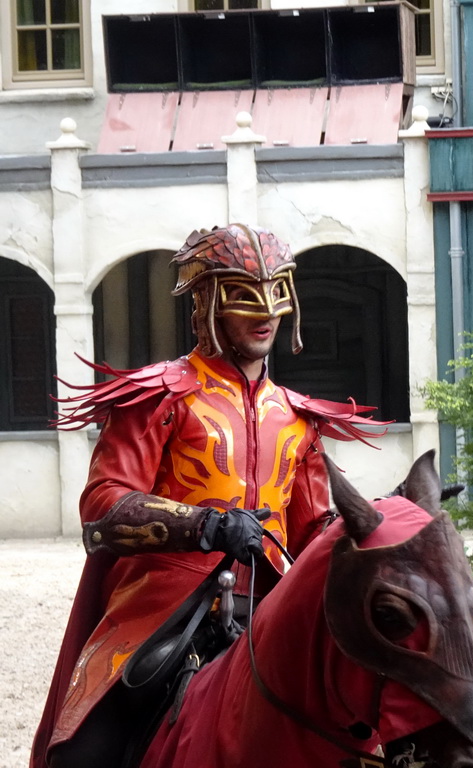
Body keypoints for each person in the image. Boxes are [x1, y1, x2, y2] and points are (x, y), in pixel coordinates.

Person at [31, 224, 384, 768]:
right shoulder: (159, 396)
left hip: (274, 604)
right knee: (84, 753)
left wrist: (379, 530)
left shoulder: (298, 417)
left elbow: (313, 533)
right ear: (206, 300)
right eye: (243, 294)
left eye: (275, 292)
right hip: (163, 607)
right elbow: (101, 506)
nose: (265, 311)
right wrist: (204, 526)